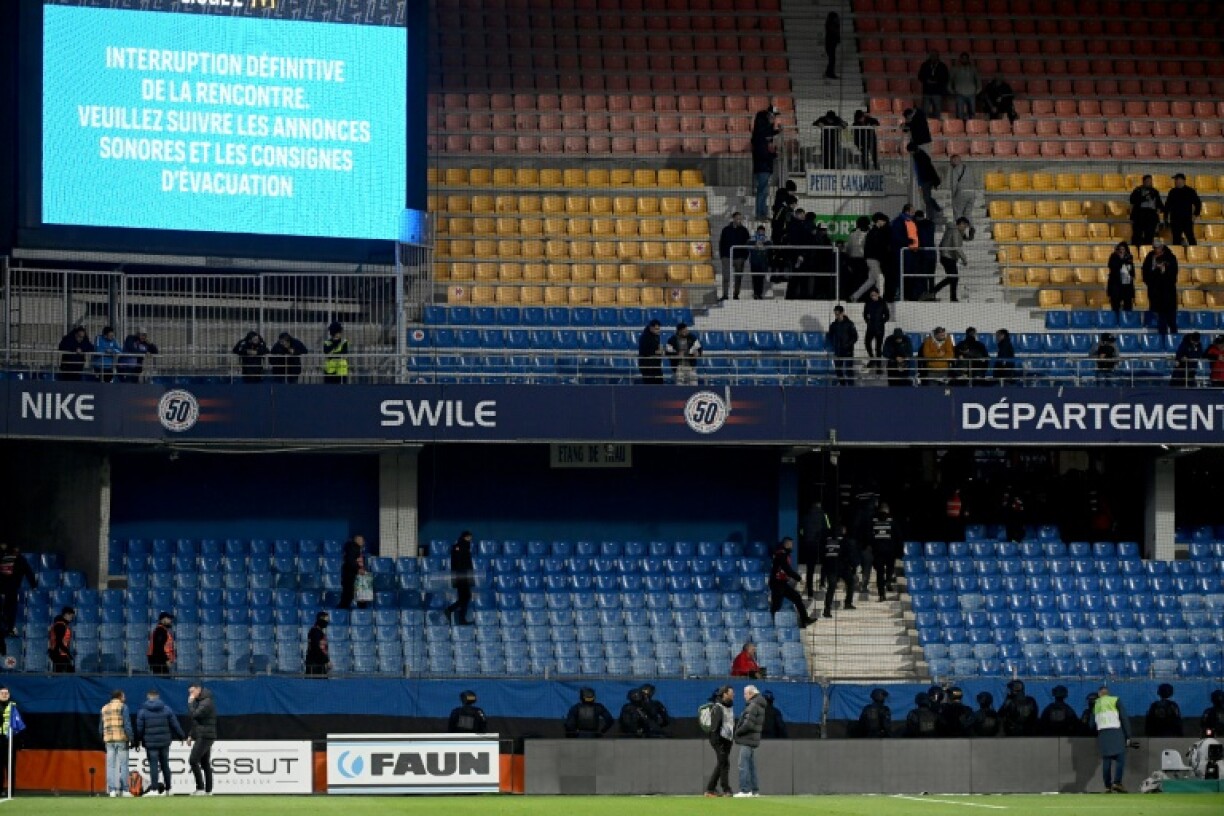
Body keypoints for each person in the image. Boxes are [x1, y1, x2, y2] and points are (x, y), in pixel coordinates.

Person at [135, 689, 185, 797]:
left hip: (150, 743)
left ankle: (154, 789)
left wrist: (137, 741)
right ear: (158, 697)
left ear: (148, 697)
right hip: (164, 742)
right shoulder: (167, 709)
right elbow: (175, 724)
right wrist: (181, 736)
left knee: (153, 765)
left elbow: (139, 729)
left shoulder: (142, 711)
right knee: (165, 765)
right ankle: (169, 789)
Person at [1091, 685, 1132, 793]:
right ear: (1108, 693)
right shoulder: (1115, 700)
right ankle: (1117, 783)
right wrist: (1128, 735)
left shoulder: (1096, 704)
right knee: (1120, 758)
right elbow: (1124, 718)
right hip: (1116, 733)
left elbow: (1091, 724)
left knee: (1106, 760)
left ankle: (1107, 786)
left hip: (1103, 734)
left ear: (1099, 694)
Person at [769, 538, 814, 628]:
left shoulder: (783, 554)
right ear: (787, 544)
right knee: (776, 606)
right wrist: (799, 579)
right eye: (791, 544)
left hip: (782, 583)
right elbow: (787, 570)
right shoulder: (781, 554)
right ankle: (770, 624)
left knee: (797, 597)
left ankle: (805, 619)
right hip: (777, 584)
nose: (792, 546)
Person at [100, 690, 134, 798]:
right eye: (123, 696)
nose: (125, 698)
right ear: (119, 697)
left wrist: (103, 738)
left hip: (109, 740)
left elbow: (101, 727)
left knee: (110, 766)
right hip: (121, 739)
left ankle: (112, 790)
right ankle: (125, 790)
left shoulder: (104, 708)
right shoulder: (123, 707)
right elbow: (127, 724)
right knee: (123, 765)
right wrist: (131, 738)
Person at [733, 685, 765, 797]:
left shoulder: (752, 705)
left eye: (745, 693)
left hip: (747, 739)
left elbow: (748, 724)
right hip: (753, 739)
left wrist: (737, 732)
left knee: (743, 765)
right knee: (751, 766)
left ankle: (745, 790)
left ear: (751, 694)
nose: (744, 696)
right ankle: (755, 791)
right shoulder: (759, 705)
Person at [1142, 239, 1180, 336]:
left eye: (1158, 247)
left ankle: (1174, 337)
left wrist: (1163, 271)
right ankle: (1163, 338)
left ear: (1162, 247)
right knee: (1161, 319)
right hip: (1156, 292)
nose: (1156, 249)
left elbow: (1173, 275)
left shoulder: (1170, 257)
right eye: (1154, 247)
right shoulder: (1150, 257)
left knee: (1171, 319)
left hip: (1168, 293)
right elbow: (1145, 273)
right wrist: (1154, 270)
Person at [0, 543, 37, 637]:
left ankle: (8, 628)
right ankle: (9, 628)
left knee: (8, 609)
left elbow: (28, 572)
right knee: (10, 609)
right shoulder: (19, 559)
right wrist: (33, 585)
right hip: (10, 588)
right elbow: (29, 572)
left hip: (6, 588)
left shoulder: (5, 558)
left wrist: (33, 584)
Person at [750, 107, 781, 220]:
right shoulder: (761, 137)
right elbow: (762, 154)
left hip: (765, 167)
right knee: (762, 191)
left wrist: (777, 131)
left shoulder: (762, 134)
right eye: (772, 116)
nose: (774, 119)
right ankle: (760, 214)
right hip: (763, 167)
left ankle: (762, 213)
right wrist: (773, 155)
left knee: (764, 192)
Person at [704, 686, 735, 797]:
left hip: (727, 739)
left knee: (721, 763)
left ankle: (710, 789)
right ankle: (726, 789)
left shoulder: (729, 706)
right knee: (724, 764)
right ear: (724, 694)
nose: (733, 694)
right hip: (719, 740)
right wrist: (717, 743)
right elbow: (714, 728)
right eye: (731, 692)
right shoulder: (718, 707)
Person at [187, 683, 216, 796]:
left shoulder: (206, 702)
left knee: (193, 760)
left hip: (205, 735)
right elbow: (197, 721)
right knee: (205, 763)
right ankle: (208, 791)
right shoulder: (202, 701)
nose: (191, 694)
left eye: (192, 691)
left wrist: (190, 703)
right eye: (189, 692)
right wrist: (191, 735)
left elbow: (195, 715)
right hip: (204, 734)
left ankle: (200, 788)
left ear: (198, 689)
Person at [822, 524, 858, 618]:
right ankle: (848, 603)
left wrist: (823, 574)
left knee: (831, 588)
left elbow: (823, 556)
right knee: (851, 582)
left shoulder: (827, 540)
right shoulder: (845, 540)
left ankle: (827, 609)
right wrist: (854, 567)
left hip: (830, 568)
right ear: (842, 530)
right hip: (842, 567)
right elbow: (849, 554)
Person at [933, 217, 970, 302]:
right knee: (953, 277)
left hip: (948, 256)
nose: (965, 228)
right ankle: (934, 291)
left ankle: (952, 297)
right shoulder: (955, 231)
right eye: (964, 225)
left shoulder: (954, 230)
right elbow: (956, 246)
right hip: (948, 256)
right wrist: (964, 259)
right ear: (960, 224)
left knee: (953, 277)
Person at [799, 501, 830, 599]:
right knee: (825, 564)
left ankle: (810, 592)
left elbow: (801, 530)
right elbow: (828, 528)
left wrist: (806, 538)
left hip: (809, 544)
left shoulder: (805, 516)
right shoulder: (824, 515)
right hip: (821, 544)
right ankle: (822, 584)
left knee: (810, 569)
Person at [718, 212, 751, 301]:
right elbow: (721, 243)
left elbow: (748, 243)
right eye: (737, 218)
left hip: (739, 258)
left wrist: (744, 257)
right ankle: (725, 295)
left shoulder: (744, 230)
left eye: (740, 218)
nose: (738, 220)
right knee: (726, 277)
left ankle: (736, 295)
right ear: (733, 218)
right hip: (727, 257)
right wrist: (722, 256)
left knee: (738, 277)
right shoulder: (726, 230)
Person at [445, 530, 475, 626]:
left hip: (463, 577)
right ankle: (450, 610)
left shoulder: (463, 546)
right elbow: (460, 564)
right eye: (469, 537)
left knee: (465, 598)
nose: (470, 539)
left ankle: (461, 618)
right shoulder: (460, 547)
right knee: (465, 597)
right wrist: (465, 577)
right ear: (465, 537)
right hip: (462, 577)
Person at [863, 212, 894, 302]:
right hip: (873, 259)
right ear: (878, 221)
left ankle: (854, 296)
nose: (884, 222)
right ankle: (879, 298)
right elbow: (878, 246)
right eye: (883, 221)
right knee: (880, 278)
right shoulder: (876, 232)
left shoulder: (873, 231)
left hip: (871, 258)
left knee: (871, 281)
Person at [1165, 173, 1203, 246]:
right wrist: (1166, 217)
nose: (1176, 181)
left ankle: (1194, 251)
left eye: (1177, 179)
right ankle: (1177, 252)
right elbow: (1167, 206)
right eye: (1175, 180)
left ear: (1183, 180)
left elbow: (1198, 203)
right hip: (1175, 219)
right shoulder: (1172, 192)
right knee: (1176, 239)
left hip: (1187, 219)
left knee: (1190, 237)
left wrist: (1195, 214)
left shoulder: (1190, 191)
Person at [891, 206, 920, 301]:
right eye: (912, 211)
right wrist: (908, 241)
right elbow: (896, 237)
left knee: (909, 273)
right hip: (902, 251)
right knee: (901, 272)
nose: (914, 213)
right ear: (907, 211)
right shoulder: (899, 222)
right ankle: (899, 294)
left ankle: (909, 294)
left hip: (911, 251)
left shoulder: (911, 221)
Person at [870, 503, 897, 600]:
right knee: (890, 569)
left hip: (877, 551)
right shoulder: (892, 520)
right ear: (887, 510)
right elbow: (897, 536)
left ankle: (881, 594)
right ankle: (888, 581)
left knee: (880, 573)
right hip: (890, 551)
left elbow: (869, 535)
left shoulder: (873, 521)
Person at [1129, 175, 1164, 248]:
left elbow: (1160, 204)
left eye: (1150, 181)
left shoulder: (1155, 191)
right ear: (1144, 182)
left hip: (1151, 215)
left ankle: (1147, 250)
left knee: (1149, 236)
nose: (1149, 183)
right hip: (1139, 215)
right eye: (1147, 181)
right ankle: (1135, 250)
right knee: (1137, 236)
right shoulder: (1138, 190)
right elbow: (1132, 200)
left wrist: (1160, 209)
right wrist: (1144, 198)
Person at [826, 305, 858, 386]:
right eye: (835, 314)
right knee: (838, 369)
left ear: (842, 313)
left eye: (838, 314)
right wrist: (834, 345)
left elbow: (855, 337)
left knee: (849, 370)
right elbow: (830, 336)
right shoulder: (833, 325)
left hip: (848, 351)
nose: (837, 316)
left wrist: (848, 345)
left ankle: (851, 386)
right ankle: (842, 384)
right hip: (838, 351)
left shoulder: (850, 324)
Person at [910, 146, 942, 220]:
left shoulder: (920, 157)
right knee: (927, 199)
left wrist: (921, 182)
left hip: (926, 180)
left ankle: (933, 213)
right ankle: (932, 214)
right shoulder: (920, 156)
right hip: (925, 180)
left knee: (927, 199)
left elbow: (923, 171)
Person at [948, 53, 980, 122]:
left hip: (971, 93)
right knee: (959, 113)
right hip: (959, 93)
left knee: (972, 113)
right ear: (960, 59)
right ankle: (960, 127)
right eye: (963, 58)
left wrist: (978, 90)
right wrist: (951, 90)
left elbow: (978, 80)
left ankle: (971, 126)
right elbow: (950, 81)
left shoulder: (973, 69)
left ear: (968, 59)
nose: (964, 60)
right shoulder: (955, 69)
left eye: (966, 58)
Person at [1107, 242, 1137, 316]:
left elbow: (1132, 272)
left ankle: (1127, 319)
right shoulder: (1113, 257)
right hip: (1116, 285)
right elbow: (1112, 267)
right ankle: (1115, 318)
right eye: (1120, 249)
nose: (1121, 251)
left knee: (1128, 305)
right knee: (1115, 305)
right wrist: (1121, 260)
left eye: (1123, 249)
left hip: (1127, 286)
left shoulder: (1129, 258)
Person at [860, 287, 889, 362]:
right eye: (871, 295)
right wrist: (867, 321)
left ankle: (878, 364)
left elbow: (887, 315)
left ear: (878, 294)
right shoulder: (868, 302)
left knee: (878, 347)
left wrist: (881, 322)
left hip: (879, 328)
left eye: (874, 295)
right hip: (871, 327)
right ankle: (872, 358)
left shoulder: (882, 303)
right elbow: (865, 313)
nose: (873, 297)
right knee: (867, 342)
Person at [917, 52, 949, 119]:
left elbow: (946, 78)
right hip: (927, 91)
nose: (933, 57)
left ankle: (936, 123)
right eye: (932, 56)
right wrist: (927, 80)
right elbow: (920, 76)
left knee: (937, 110)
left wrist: (937, 81)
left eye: (935, 56)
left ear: (938, 56)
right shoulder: (925, 65)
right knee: (925, 110)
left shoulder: (942, 66)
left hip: (937, 92)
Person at [337, 534, 365, 609]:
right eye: (362, 540)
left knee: (350, 594)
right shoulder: (353, 548)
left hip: (351, 575)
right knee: (349, 594)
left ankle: (360, 608)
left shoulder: (355, 548)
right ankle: (343, 610)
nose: (363, 542)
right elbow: (351, 561)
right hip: (351, 576)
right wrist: (358, 569)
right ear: (357, 540)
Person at [947, 155, 977, 223]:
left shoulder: (955, 169)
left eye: (951, 161)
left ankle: (958, 228)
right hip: (972, 193)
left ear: (954, 161)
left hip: (961, 192)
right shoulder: (969, 168)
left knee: (958, 212)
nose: (950, 163)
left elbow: (954, 184)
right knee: (968, 214)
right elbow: (975, 181)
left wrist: (953, 196)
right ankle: (971, 227)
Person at [47, 605, 75, 673]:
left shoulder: (61, 624)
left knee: (59, 672)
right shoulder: (60, 625)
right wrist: (68, 653)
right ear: (66, 615)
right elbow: (59, 641)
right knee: (70, 672)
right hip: (59, 653)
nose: (71, 618)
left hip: (58, 653)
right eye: (71, 616)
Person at [747, 224, 772, 300]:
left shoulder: (766, 239)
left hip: (763, 263)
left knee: (761, 278)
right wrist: (756, 243)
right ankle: (755, 293)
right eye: (760, 231)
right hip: (754, 262)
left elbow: (770, 244)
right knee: (755, 278)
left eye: (762, 231)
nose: (761, 233)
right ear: (757, 232)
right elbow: (748, 244)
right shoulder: (753, 238)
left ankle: (760, 293)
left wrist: (763, 243)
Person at [637, 319, 665, 384]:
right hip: (647, 366)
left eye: (659, 329)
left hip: (656, 365)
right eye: (656, 329)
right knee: (649, 384)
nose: (658, 330)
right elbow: (645, 351)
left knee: (659, 383)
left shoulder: (656, 336)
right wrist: (657, 352)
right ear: (651, 328)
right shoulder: (644, 337)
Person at [305, 611, 330, 677]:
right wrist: (326, 660)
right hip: (315, 665)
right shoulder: (315, 632)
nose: (327, 622)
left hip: (319, 663)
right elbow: (315, 648)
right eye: (326, 619)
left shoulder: (318, 632)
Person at [823, 11, 840, 79]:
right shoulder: (830, 25)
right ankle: (829, 73)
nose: (837, 19)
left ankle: (829, 72)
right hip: (830, 44)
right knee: (832, 59)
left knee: (832, 59)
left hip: (832, 44)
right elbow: (834, 32)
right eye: (836, 18)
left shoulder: (833, 25)